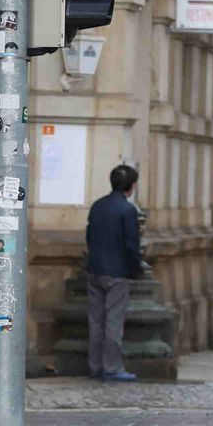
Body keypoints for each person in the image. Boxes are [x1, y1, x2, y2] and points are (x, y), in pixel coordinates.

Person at [84, 164, 144, 383]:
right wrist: (136, 269)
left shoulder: (97, 206)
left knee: (96, 322)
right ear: (132, 186)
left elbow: (89, 235)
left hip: (95, 269)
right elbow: (131, 245)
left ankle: (95, 365)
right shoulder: (128, 210)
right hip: (117, 273)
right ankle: (112, 367)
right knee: (113, 322)